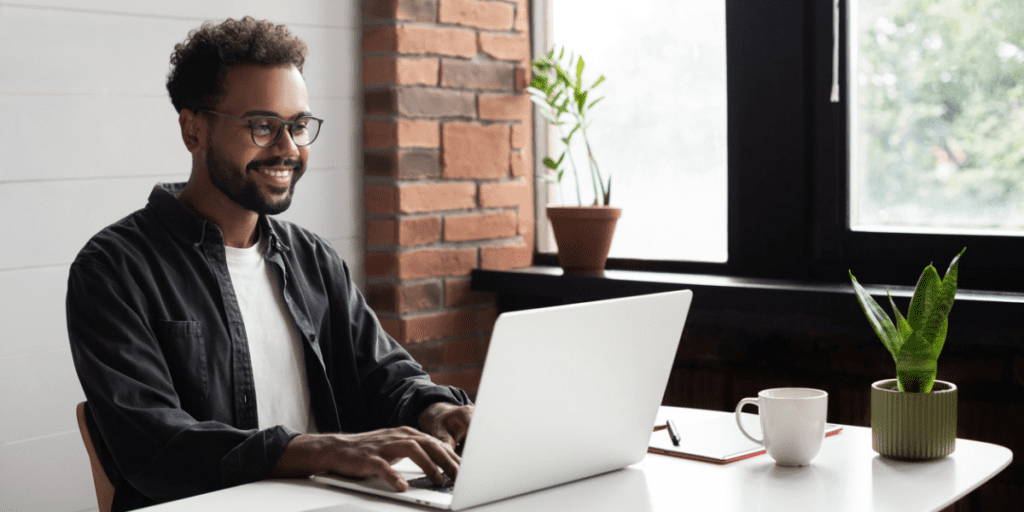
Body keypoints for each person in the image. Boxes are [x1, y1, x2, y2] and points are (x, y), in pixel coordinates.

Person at [67, 17, 473, 511]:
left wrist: (434, 408)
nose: (289, 149)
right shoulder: (113, 269)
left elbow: (384, 374)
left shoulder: (314, 259)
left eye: (299, 126)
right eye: (262, 126)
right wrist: (320, 449)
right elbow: (156, 446)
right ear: (193, 129)